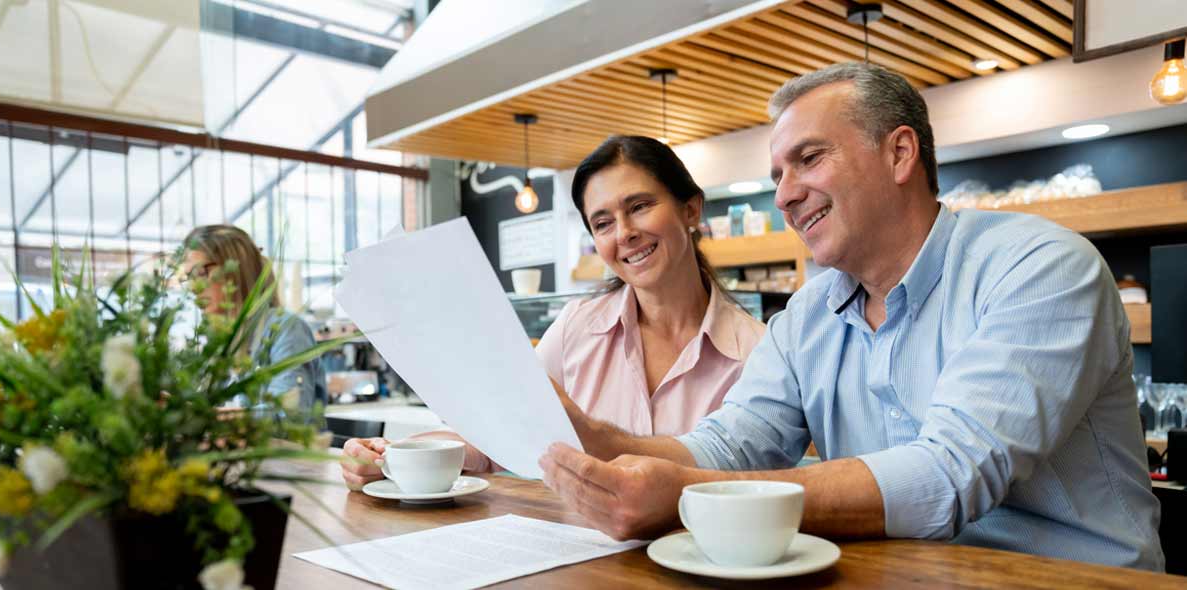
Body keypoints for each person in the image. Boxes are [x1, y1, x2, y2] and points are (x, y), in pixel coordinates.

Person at [538, 62, 1164, 571]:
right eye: (778, 175)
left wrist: (688, 500)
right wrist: (593, 436)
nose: (783, 194)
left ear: (899, 154)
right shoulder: (809, 312)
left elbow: (949, 474)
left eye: (808, 160)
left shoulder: (1039, 266)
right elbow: (729, 445)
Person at [338, 136, 765, 489]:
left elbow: (750, 482)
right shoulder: (576, 327)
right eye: (603, 223)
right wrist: (396, 456)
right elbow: (494, 438)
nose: (625, 233)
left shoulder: (757, 351)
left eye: (639, 206)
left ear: (691, 209)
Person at [183, 225, 325, 415]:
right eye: (188, 278)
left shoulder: (285, 329)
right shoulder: (221, 344)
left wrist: (206, 418)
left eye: (200, 273)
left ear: (235, 268)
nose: (193, 288)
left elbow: (288, 416)